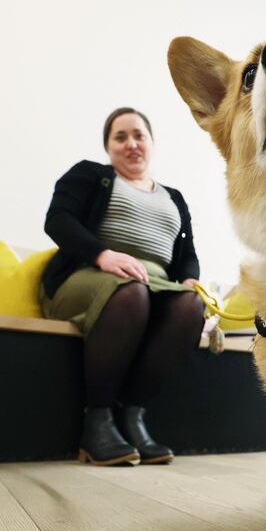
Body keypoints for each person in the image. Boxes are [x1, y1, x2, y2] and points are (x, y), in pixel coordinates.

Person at [40, 107, 205, 466]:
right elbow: (58, 221)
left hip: (156, 286)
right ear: (108, 146)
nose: (131, 144)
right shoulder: (90, 175)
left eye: (138, 135)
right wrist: (103, 255)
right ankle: (96, 420)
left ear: (151, 142)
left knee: (192, 306)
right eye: (120, 137)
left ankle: (132, 416)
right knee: (131, 292)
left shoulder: (174, 198)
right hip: (89, 277)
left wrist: (191, 279)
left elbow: (187, 254)